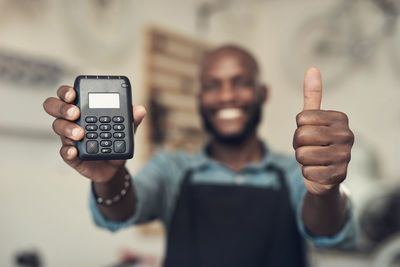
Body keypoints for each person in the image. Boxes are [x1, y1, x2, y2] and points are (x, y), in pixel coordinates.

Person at [43, 45, 356, 267]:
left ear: (263, 93)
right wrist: (110, 179)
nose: (227, 95)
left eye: (241, 82)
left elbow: (329, 230)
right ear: (200, 98)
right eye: (212, 85)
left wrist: (325, 190)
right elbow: (122, 212)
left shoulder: (294, 170)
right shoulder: (173, 168)